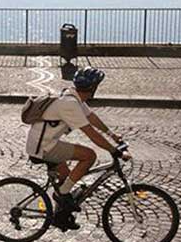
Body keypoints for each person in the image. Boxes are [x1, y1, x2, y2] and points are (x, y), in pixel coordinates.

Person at [25, 66, 130, 231]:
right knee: (89, 156)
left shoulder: (73, 96)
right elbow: (91, 134)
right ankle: (62, 195)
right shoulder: (70, 104)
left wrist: (112, 134)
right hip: (44, 147)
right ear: (92, 88)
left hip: (42, 142)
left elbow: (91, 117)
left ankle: (61, 217)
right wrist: (114, 151)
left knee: (66, 179)